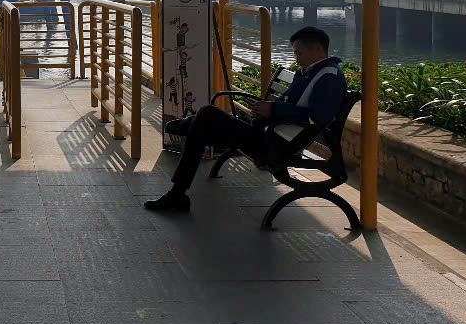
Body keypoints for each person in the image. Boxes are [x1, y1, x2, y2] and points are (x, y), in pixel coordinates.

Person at [144, 26, 346, 212]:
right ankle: (178, 188)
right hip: (268, 134)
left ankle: (184, 134)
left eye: (298, 53)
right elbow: (293, 106)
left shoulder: (328, 77)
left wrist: (273, 109)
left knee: (206, 115)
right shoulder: (312, 72)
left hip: (276, 145)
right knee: (203, 125)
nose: (296, 58)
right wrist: (265, 110)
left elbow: (318, 117)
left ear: (318, 49)